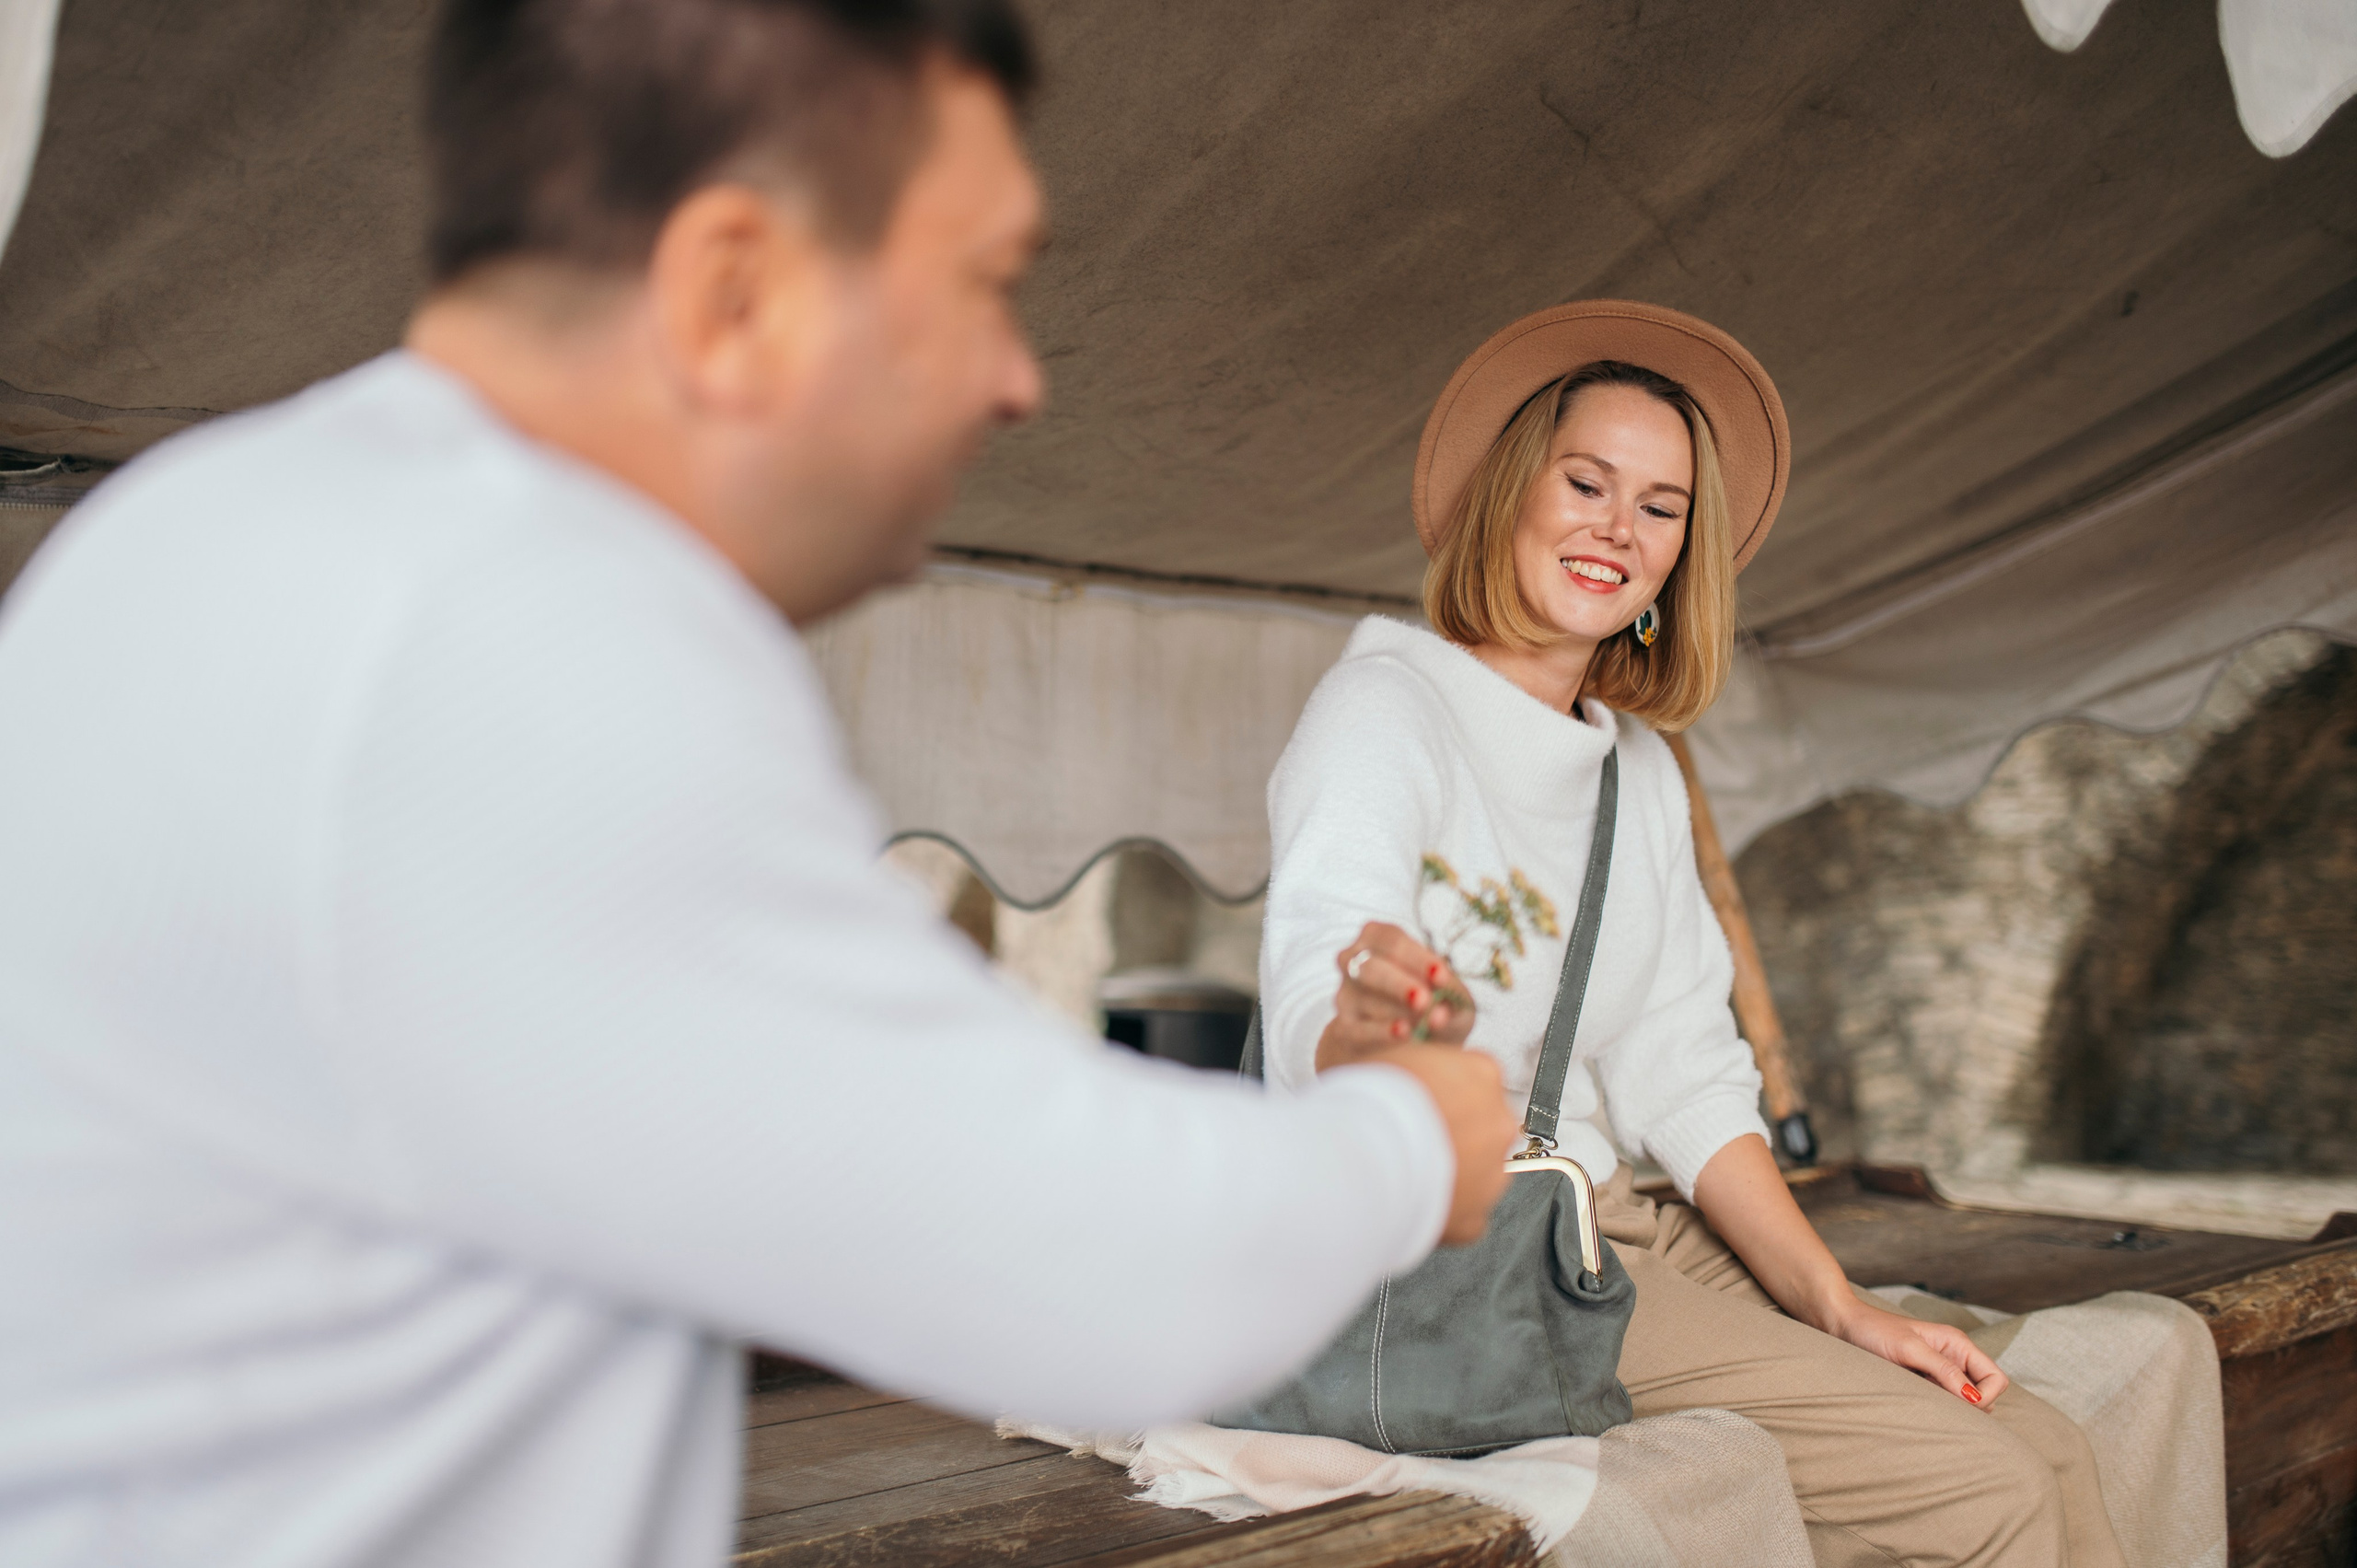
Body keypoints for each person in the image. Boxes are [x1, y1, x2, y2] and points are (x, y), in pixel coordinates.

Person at [0, 3, 1522, 1565]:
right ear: (734, 287)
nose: (1018, 381)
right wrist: (1412, 1135)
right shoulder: (528, 633)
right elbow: (1089, 1263)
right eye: (984, 284)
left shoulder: (198, 526)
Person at [1260, 301, 2128, 1567]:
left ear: (1683, 553)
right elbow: (1312, 988)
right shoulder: (1386, 710)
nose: (1619, 526)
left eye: (1661, 506)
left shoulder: (1638, 771)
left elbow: (1681, 1058)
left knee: (2040, 1440)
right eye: (1588, 480)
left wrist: (1832, 1302)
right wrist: (1361, 1036)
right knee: (1981, 1489)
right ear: (1514, 487)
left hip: (1613, 1227)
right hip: (1460, 1250)